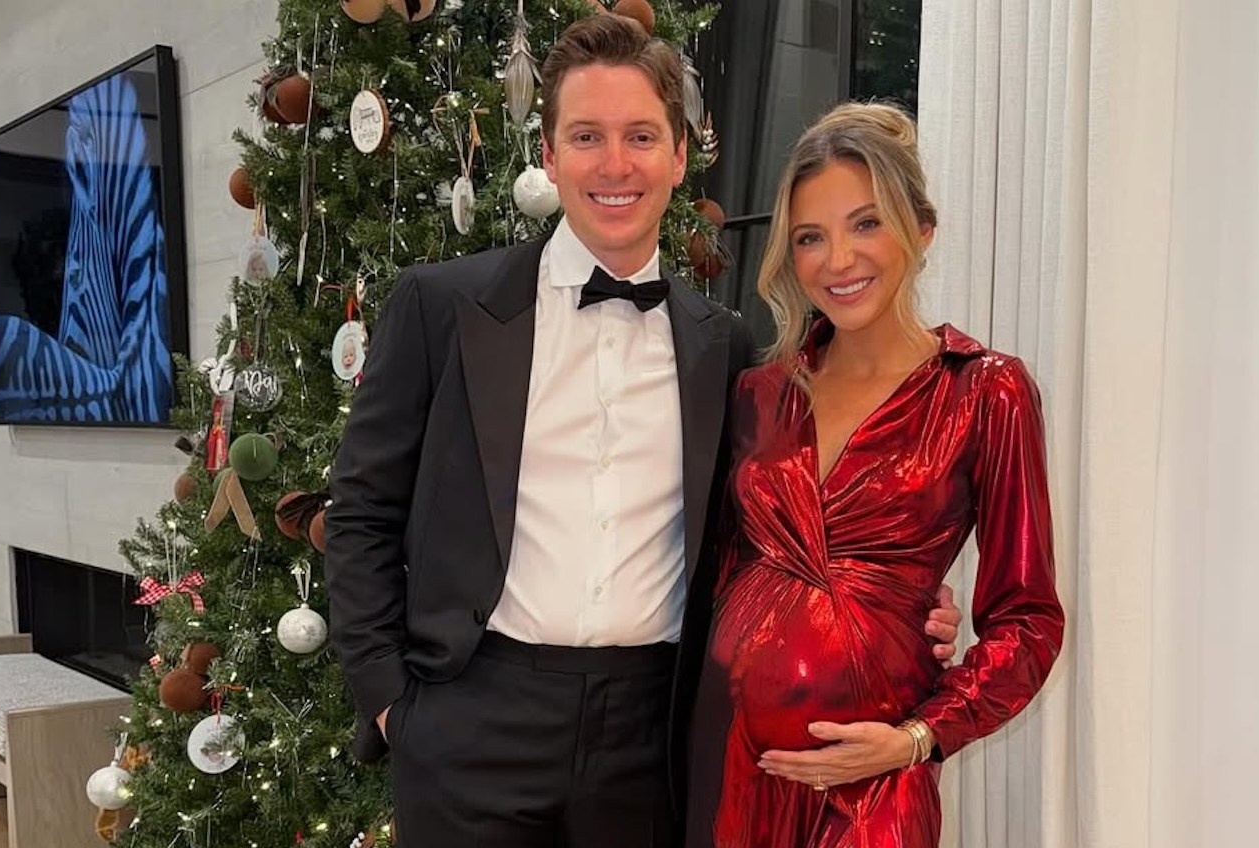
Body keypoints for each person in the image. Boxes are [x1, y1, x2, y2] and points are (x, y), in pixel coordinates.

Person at [324, 15, 962, 848]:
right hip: (469, 721)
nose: (615, 165)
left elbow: (771, 530)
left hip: (652, 735)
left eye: (640, 136)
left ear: (679, 154)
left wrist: (906, 599)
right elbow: (362, 511)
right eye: (587, 136)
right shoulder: (442, 306)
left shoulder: (726, 347)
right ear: (550, 154)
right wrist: (392, 703)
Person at [686, 102, 1066, 847]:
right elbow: (720, 573)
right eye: (810, 237)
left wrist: (919, 738)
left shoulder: (984, 391)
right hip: (733, 768)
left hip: (873, 790)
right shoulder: (758, 394)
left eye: (866, 224)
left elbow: (1029, 621)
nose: (838, 260)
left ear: (921, 230)